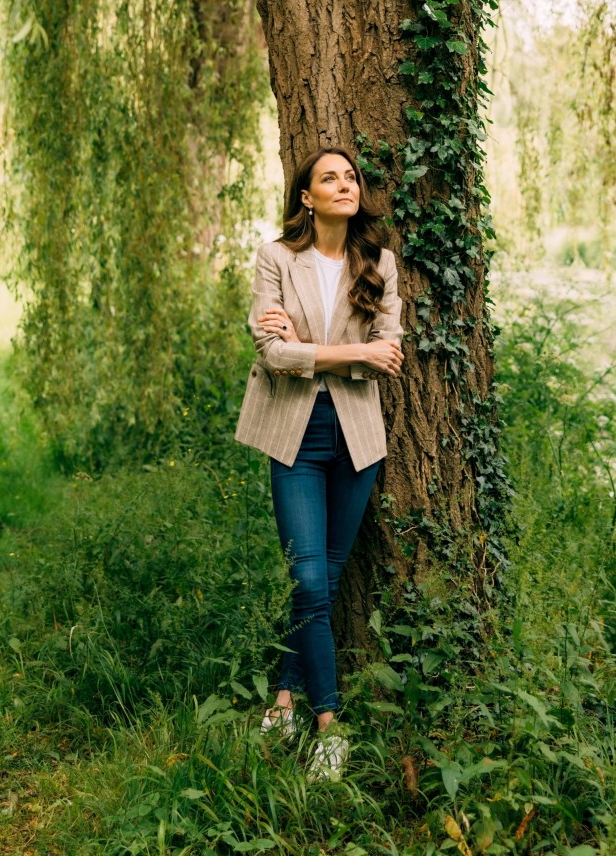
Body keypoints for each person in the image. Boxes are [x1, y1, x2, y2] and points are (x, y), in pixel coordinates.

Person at [235, 146, 404, 780]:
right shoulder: (277, 258)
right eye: (329, 178)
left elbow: (389, 352)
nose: (344, 184)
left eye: (350, 176)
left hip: (358, 436)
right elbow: (274, 355)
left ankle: (282, 700)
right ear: (306, 197)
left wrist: (311, 349)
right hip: (294, 433)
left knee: (324, 580)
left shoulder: (379, 263)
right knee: (307, 578)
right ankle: (329, 725)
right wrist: (341, 354)